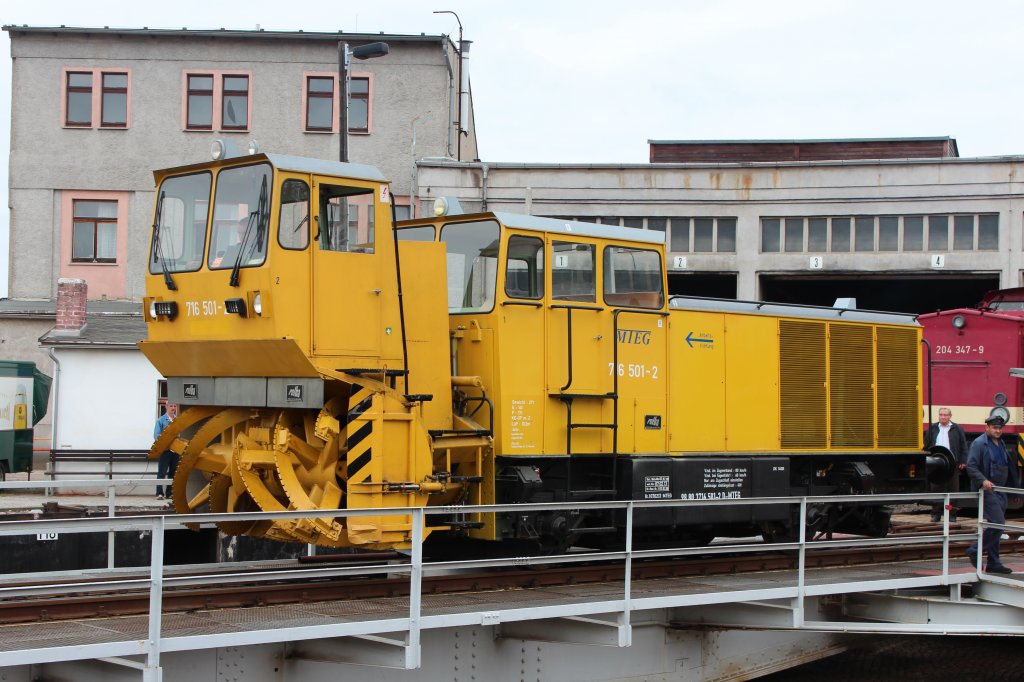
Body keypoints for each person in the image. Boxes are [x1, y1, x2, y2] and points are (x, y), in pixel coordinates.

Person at [965, 415, 1018, 574]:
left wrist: (1013, 487)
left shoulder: (1000, 443)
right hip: (987, 490)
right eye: (994, 428)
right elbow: (971, 467)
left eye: (1000, 428)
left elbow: (1007, 467)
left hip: (1000, 490)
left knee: (997, 527)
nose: (998, 430)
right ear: (986, 427)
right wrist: (983, 481)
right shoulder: (979, 443)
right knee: (998, 523)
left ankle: (994, 562)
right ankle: (975, 550)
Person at [925, 407, 968, 521]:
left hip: (952, 463)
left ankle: (952, 514)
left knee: (953, 490)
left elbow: (963, 445)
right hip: (936, 464)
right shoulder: (933, 428)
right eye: (941, 415)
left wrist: (963, 461)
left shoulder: (957, 429)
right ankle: (936, 513)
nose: (943, 417)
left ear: (950, 416)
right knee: (936, 489)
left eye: (945, 415)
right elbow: (926, 444)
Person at [154, 403, 178, 500]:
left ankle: (169, 493)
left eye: (174, 406)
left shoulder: (177, 420)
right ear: (166, 407)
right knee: (162, 472)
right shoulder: (161, 420)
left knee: (173, 473)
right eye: (171, 406)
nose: (173, 408)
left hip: (176, 451)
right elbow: (156, 436)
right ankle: (159, 493)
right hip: (165, 451)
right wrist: (165, 445)